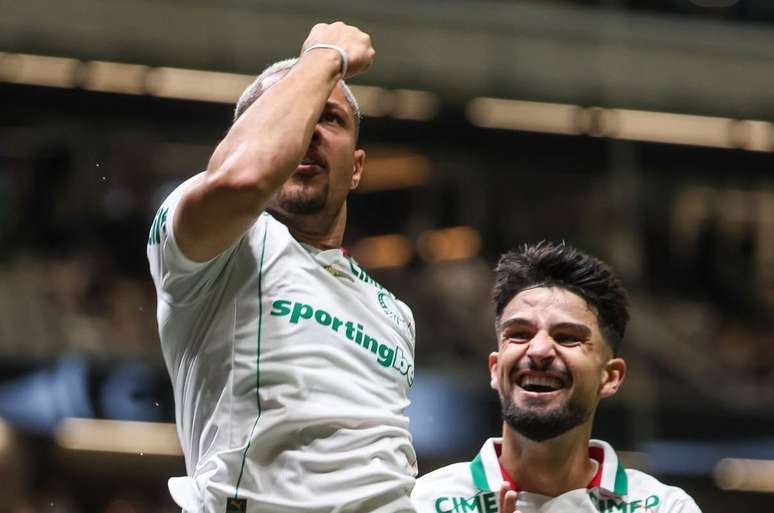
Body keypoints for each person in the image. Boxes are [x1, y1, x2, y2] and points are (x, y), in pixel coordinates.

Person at [147, 22, 418, 513]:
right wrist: (324, 54)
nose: (308, 133)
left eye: (330, 119)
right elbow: (243, 177)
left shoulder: (396, 313)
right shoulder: (215, 244)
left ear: (357, 167)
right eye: (295, 117)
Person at [411, 242, 702, 513]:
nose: (538, 350)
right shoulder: (423, 503)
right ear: (495, 369)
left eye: (567, 338)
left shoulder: (664, 507)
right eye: (519, 334)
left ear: (611, 377)